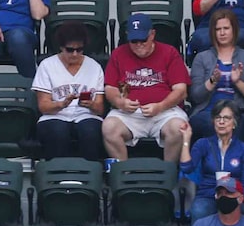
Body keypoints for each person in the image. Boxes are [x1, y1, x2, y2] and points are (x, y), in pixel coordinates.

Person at [103, 11, 191, 165]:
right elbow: (110, 88)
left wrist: (161, 106)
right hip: (129, 113)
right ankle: (123, 174)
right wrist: (120, 102)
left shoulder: (169, 52)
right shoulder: (118, 54)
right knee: (109, 127)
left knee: (179, 128)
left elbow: (181, 90)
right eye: (133, 41)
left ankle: (168, 174)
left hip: (165, 112)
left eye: (143, 40)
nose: (138, 45)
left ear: (152, 35)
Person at [31, 24, 108, 160]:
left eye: (79, 50)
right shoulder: (47, 65)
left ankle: (89, 174)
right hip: (55, 115)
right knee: (57, 132)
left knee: (90, 132)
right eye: (70, 49)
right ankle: (57, 175)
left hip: (86, 114)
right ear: (61, 47)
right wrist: (62, 104)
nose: (75, 54)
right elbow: (43, 106)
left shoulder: (94, 67)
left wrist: (90, 104)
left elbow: (100, 109)